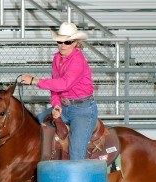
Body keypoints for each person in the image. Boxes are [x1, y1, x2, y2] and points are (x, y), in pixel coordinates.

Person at [21, 22, 98, 160]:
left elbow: (64, 84)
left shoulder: (78, 61)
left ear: (75, 43)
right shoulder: (57, 58)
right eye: (60, 41)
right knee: (34, 125)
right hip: (64, 106)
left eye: (67, 42)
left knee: (75, 152)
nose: (63, 45)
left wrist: (35, 81)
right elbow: (55, 88)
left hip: (83, 110)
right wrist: (56, 105)